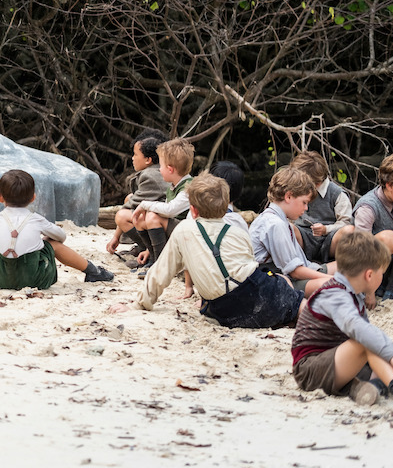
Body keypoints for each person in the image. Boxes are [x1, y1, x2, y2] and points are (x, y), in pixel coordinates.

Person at [109, 175, 302, 328]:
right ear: (226, 205)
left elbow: (161, 272)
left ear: (193, 210)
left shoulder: (184, 229)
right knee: (290, 292)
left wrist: (138, 305)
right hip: (258, 295)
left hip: (223, 310)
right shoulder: (237, 231)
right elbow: (249, 266)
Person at [291, 230, 393, 409]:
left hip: (337, 363)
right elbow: (359, 330)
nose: (381, 277)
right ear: (369, 275)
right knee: (367, 343)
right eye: (381, 273)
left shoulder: (352, 294)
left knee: (383, 355)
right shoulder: (335, 294)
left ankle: (372, 387)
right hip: (311, 369)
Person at [0, 169, 114, 290]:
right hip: (35, 280)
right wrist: (43, 240)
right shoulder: (36, 219)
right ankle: (93, 271)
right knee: (52, 243)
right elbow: (61, 236)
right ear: (33, 198)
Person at [251, 166, 336, 296]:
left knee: (349, 266)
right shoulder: (275, 224)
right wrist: (329, 279)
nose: (306, 208)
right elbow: (294, 271)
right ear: (288, 196)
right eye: (304, 202)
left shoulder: (278, 219)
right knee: (334, 286)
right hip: (275, 282)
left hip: (293, 274)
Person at [352, 153, 393, 300]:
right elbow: (361, 249)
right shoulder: (368, 207)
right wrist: (368, 290)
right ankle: (376, 288)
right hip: (369, 269)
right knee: (388, 237)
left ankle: (392, 289)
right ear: (389, 186)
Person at [131, 137, 194, 266]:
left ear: (170, 169)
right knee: (144, 217)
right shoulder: (174, 185)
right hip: (177, 231)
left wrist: (144, 204)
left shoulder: (188, 188)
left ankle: (160, 264)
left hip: (188, 235)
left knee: (152, 216)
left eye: (161, 166)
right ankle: (153, 256)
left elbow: (170, 210)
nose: (159, 169)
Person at [288, 151, 354, 263]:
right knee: (286, 227)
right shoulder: (294, 190)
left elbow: (346, 222)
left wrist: (325, 229)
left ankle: (344, 268)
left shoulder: (337, 194)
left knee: (349, 231)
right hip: (303, 237)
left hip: (329, 239)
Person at [106, 134, 167, 255]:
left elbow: (128, 207)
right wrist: (116, 237)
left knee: (121, 216)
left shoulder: (150, 176)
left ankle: (148, 248)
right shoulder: (154, 170)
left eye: (135, 154)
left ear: (148, 160)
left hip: (161, 225)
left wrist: (116, 236)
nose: (132, 158)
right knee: (129, 198)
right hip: (160, 218)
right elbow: (132, 201)